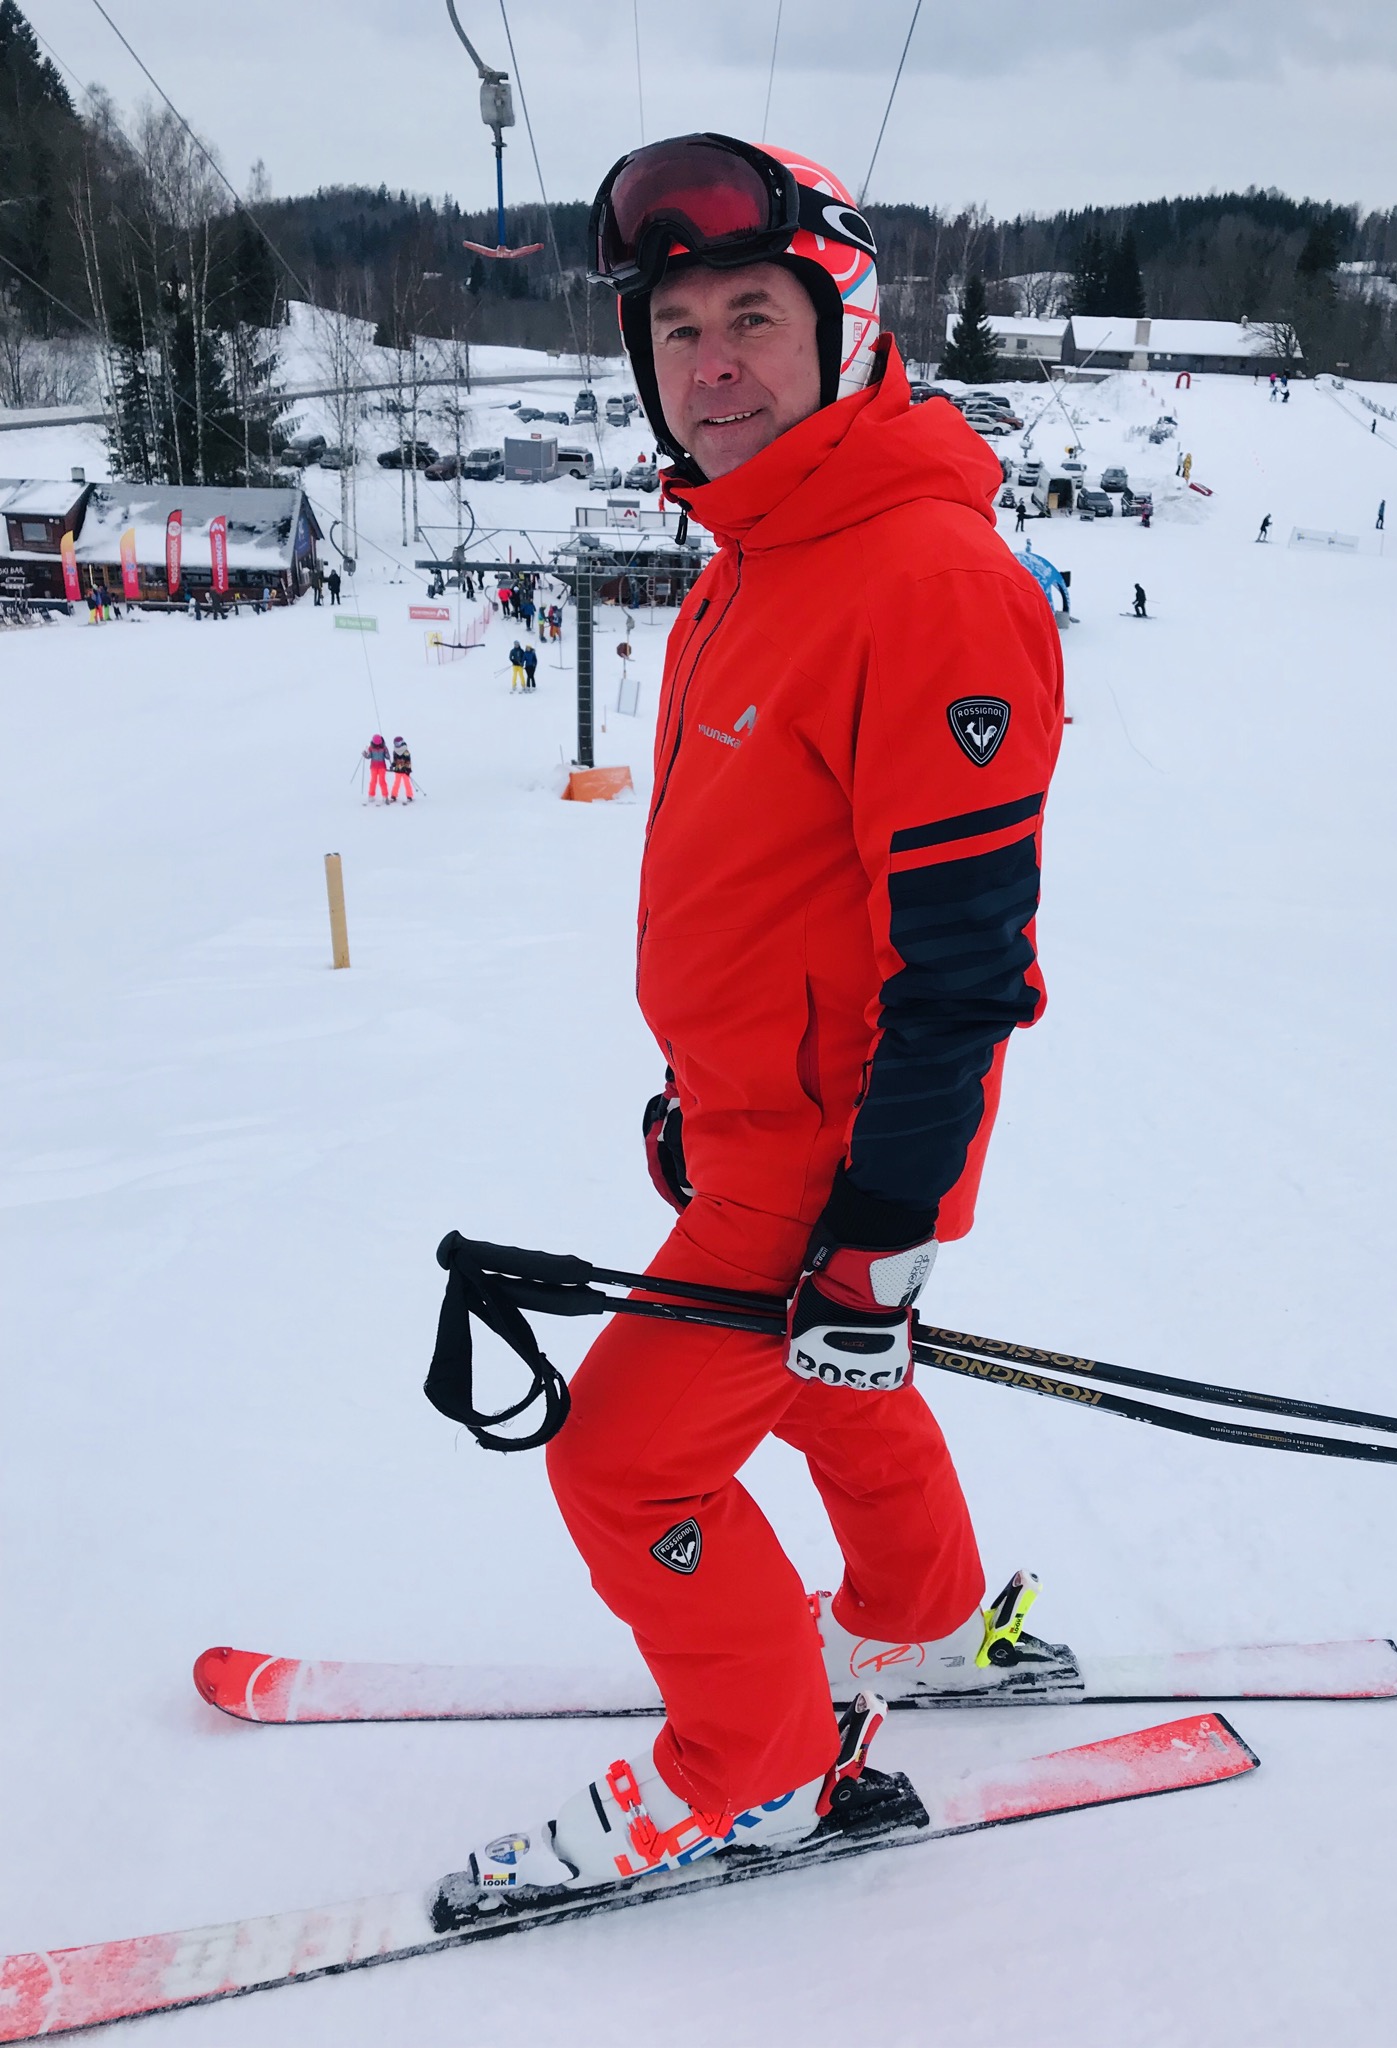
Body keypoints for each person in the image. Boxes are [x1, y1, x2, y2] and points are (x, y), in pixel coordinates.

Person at [459, 132, 1063, 1904]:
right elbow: (775, 889)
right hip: (756, 1124)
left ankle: (757, 1769)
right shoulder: (755, 553)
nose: (708, 363)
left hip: (833, 1160)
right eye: (676, 330)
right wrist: (698, 1091)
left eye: (750, 319)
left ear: (843, 327)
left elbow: (962, 967)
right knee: (825, 1391)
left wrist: (875, 1240)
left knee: (624, 1460)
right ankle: (922, 1616)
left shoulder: (921, 577)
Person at [363, 733, 390, 802]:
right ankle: (371, 795)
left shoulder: (383, 747)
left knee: (382, 781)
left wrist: (387, 753)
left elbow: (387, 757)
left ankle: (385, 796)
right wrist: (365, 755)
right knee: (373, 781)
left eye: (378, 744)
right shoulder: (371, 747)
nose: (377, 745)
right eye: (376, 744)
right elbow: (369, 756)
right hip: (373, 767)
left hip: (382, 767)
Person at [388, 736, 414, 803]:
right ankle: (393, 796)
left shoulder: (405, 751)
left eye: (398, 743)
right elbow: (395, 761)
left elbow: (408, 761)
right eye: (396, 743)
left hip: (405, 770)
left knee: (407, 783)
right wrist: (393, 765)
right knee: (396, 783)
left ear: (402, 742)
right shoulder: (395, 751)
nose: (397, 745)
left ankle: (409, 796)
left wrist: (408, 769)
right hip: (398, 770)